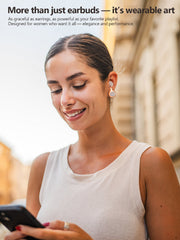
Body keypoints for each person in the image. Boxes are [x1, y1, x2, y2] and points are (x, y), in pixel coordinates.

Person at [5, 33, 180, 240]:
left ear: (110, 82)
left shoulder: (150, 163)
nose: (65, 100)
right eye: (55, 89)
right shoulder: (43, 167)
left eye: (78, 84)